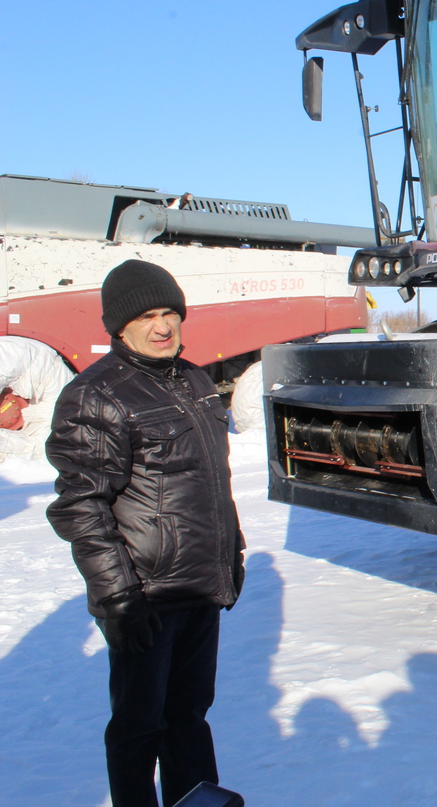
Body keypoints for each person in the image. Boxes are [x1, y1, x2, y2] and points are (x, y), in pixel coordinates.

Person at [45, 259, 245, 807]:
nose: (163, 326)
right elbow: (82, 507)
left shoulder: (194, 380)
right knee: (139, 727)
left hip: (199, 586)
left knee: (189, 717)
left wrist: (231, 554)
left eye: (169, 313)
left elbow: (210, 481)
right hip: (145, 595)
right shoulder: (97, 395)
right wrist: (118, 598)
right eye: (147, 317)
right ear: (119, 326)